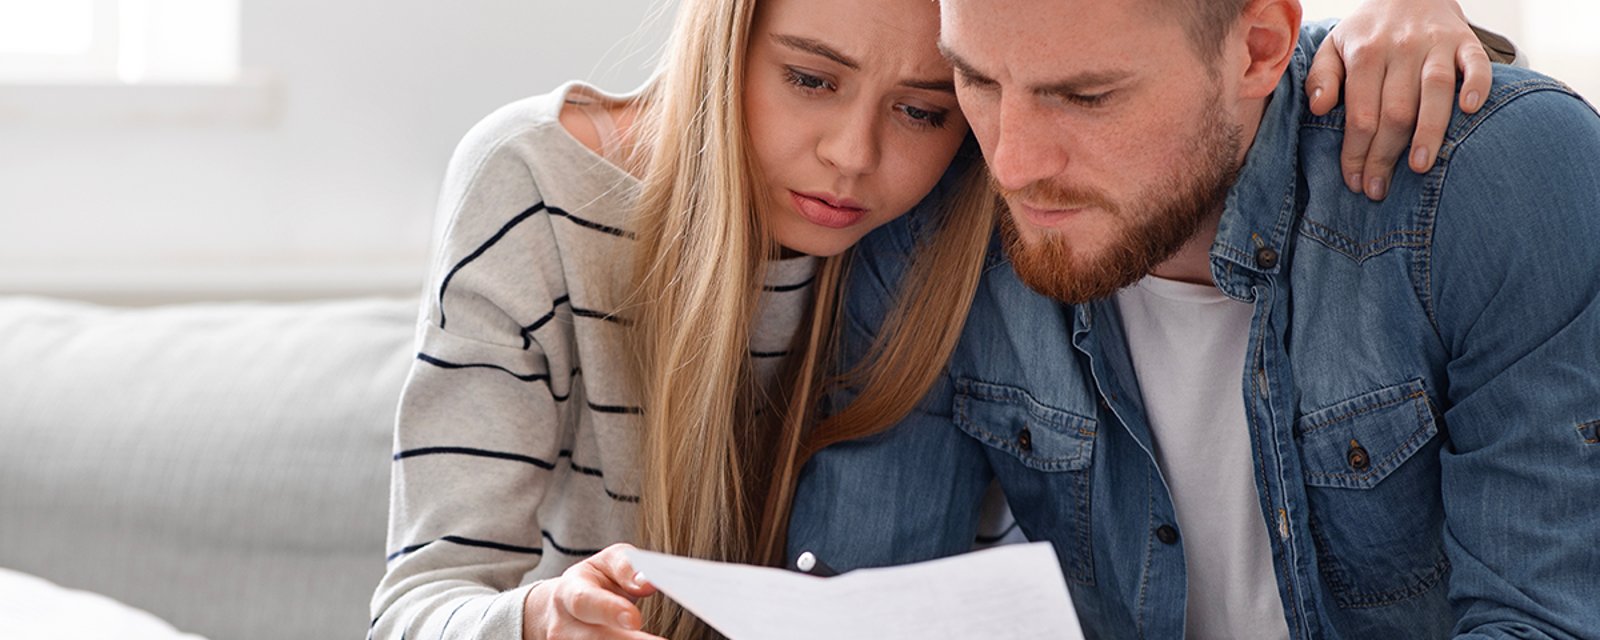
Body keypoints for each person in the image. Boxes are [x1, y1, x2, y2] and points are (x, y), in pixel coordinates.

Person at [369, 0, 1504, 637]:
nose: (854, 158)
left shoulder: (989, 195)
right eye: (808, 79)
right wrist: (533, 621)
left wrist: (1401, 23)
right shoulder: (538, 184)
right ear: (729, 35)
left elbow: (1180, 67)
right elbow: (417, 601)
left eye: (921, 107)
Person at [788, 0, 1598, 638]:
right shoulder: (935, 213)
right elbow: (863, 609)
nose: (1014, 163)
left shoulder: (1495, 177)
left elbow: (1552, 618)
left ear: (1256, 49)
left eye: (1085, 96)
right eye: (980, 81)